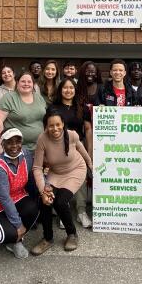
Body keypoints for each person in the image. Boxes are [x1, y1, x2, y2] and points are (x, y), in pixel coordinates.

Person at [31, 111, 93, 255]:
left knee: (60, 202)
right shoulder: (42, 139)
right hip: (56, 173)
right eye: (51, 126)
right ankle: (47, 238)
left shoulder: (72, 135)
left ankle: (72, 234)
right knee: (45, 201)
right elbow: (37, 168)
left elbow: (81, 149)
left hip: (75, 170)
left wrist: (90, 163)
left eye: (58, 125)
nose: (55, 129)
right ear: (46, 127)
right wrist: (43, 191)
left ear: (63, 124)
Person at [0, 128, 39, 259]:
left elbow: (36, 171)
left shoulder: (26, 155)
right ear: (3, 144)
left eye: (18, 141)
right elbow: (4, 198)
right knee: (6, 234)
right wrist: (18, 225)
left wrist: (46, 187)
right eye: (10, 142)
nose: (15, 146)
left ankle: (15, 241)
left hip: (16, 196)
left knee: (33, 209)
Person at [51, 78, 93, 228]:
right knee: (63, 179)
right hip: (59, 148)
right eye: (65, 88)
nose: (68, 91)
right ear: (60, 90)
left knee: (80, 179)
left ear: (75, 90)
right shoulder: (54, 108)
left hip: (78, 147)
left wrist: (89, 151)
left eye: (71, 88)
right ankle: (64, 212)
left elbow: (87, 130)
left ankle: (81, 211)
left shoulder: (82, 107)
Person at [0, 72, 47, 158]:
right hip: (15, 149)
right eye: (23, 81)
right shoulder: (8, 98)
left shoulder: (39, 98)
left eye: (29, 82)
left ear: (33, 84)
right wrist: (0, 146)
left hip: (38, 148)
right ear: (17, 83)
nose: (26, 84)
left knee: (35, 171)